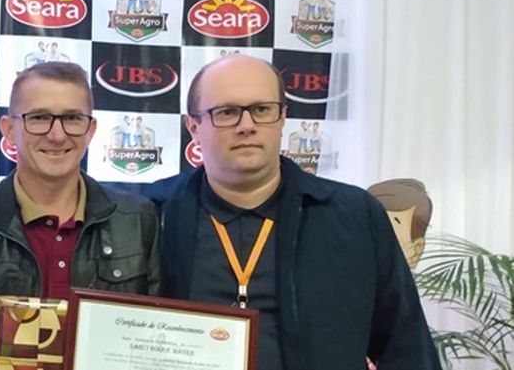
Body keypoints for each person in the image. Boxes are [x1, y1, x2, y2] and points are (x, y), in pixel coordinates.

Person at [144, 55, 440, 370]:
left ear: (282, 117)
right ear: (193, 126)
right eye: (227, 112)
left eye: (262, 110)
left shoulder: (354, 216)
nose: (247, 126)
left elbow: (407, 348)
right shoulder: (151, 214)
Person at [0, 62, 160, 303]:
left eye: (72, 118)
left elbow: (157, 321)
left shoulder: (137, 219)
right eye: (39, 118)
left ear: (90, 130)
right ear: (8, 130)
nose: (57, 135)